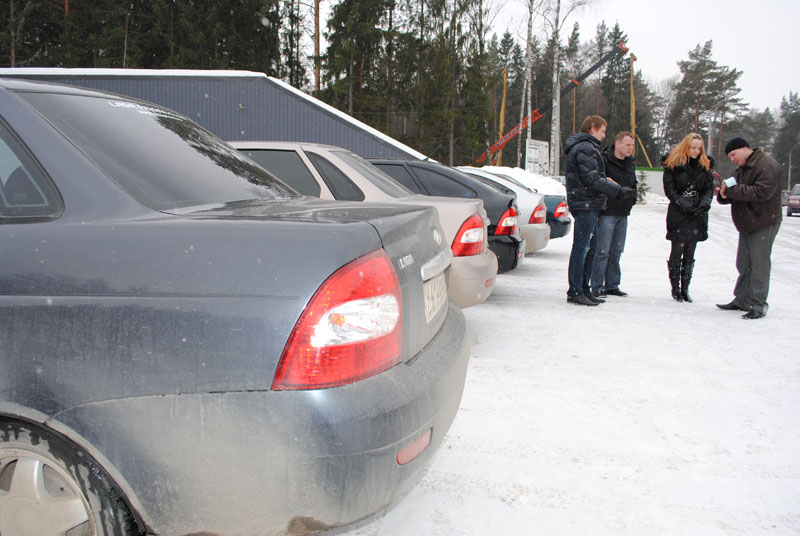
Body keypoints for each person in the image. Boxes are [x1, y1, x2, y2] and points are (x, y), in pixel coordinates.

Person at [564, 115, 635, 306]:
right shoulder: (585, 147)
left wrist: (606, 182)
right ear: (593, 128)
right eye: (603, 131)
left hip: (589, 203)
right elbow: (591, 179)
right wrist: (617, 190)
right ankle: (576, 290)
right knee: (583, 248)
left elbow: (592, 177)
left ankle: (584, 289)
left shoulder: (586, 147)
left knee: (590, 248)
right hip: (586, 203)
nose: (604, 135)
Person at [715, 137, 782, 319]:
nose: (732, 159)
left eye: (733, 154)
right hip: (747, 224)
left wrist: (731, 192)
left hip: (764, 222)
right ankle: (742, 300)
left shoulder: (767, 165)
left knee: (758, 265)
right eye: (730, 156)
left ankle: (759, 305)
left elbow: (761, 192)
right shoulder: (741, 170)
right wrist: (723, 194)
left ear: (745, 148)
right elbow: (733, 190)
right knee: (744, 264)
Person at [662, 133, 714, 303]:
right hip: (679, 212)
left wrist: (704, 203)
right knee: (677, 249)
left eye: (699, 148)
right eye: (693, 147)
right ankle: (675, 288)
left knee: (690, 251)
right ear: (686, 146)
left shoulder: (705, 165)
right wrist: (681, 202)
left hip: (697, 212)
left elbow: (708, 188)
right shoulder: (673, 164)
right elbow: (669, 189)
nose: (696, 151)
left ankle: (685, 288)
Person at [591, 131, 637, 298]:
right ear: (617, 144)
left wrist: (632, 198)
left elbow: (633, 183)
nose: (630, 148)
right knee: (602, 250)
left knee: (617, 250)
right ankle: (596, 285)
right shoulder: (604, 161)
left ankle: (612, 284)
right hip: (607, 211)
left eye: (632, 145)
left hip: (623, 212)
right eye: (627, 144)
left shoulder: (630, 163)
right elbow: (600, 183)